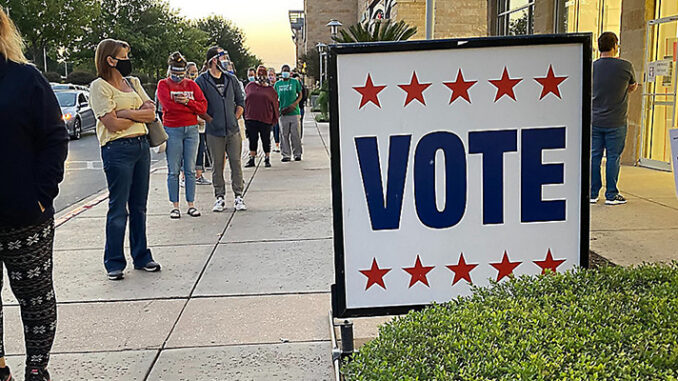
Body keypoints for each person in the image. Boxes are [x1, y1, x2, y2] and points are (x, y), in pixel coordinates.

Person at [0, 9, 67, 380]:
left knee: (36, 297)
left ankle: (37, 367)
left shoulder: (25, 79)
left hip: (26, 215)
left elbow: (54, 139)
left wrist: (41, 196)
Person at [89, 39, 161, 281]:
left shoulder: (134, 82)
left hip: (141, 147)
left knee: (139, 206)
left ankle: (142, 256)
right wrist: (138, 116)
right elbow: (111, 123)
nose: (128, 61)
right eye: (123, 56)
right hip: (117, 150)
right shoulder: (99, 87)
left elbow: (152, 113)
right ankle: (114, 261)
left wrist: (127, 113)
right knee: (118, 207)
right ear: (110, 60)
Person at [195, 46, 247, 212]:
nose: (225, 61)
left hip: (232, 130)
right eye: (221, 58)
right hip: (214, 131)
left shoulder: (231, 79)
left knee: (236, 163)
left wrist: (235, 117)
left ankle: (238, 196)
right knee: (217, 165)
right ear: (213, 61)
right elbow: (198, 105)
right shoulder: (201, 81)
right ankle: (219, 197)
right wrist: (210, 120)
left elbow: (240, 101)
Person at [157, 52, 208, 219]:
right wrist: (191, 108)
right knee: (173, 170)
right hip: (172, 129)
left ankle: (191, 204)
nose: (178, 76)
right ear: (170, 70)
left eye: (181, 72)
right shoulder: (163, 84)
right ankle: (175, 206)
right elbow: (168, 106)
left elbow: (203, 107)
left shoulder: (192, 86)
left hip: (192, 129)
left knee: (190, 169)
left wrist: (187, 102)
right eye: (175, 71)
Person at [591, 32, 638, 206]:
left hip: (595, 120)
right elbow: (633, 86)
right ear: (615, 45)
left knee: (594, 156)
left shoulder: (592, 67)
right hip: (616, 121)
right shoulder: (625, 66)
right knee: (613, 157)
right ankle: (611, 194)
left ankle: (592, 193)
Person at [245, 65, 280, 169]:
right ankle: (252, 157)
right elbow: (245, 100)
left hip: (265, 118)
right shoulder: (250, 86)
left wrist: (275, 117)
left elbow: (275, 104)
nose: (261, 76)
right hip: (251, 117)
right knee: (252, 139)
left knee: (266, 139)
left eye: (263, 74)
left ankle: (267, 157)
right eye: (259, 73)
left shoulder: (270, 90)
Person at [187, 62, 212, 185]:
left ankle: (198, 174)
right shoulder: (185, 87)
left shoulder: (197, 86)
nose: (195, 74)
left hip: (201, 126)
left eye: (196, 71)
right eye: (192, 72)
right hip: (189, 124)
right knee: (189, 152)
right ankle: (185, 176)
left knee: (201, 149)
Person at [275, 64, 304, 162]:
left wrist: (295, 104)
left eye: (287, 70)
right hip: (283, 113)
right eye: (284, 71)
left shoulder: (295, 82)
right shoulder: (277, 84)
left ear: (290, 73)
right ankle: (286, 154)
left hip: (294, 112)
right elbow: (275, 98)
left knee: (295, 134)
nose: (285, 72)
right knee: (284, 134)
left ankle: (297, 154)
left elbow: (300, 94)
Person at [268, 67, 281, 152]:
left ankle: (279, 144)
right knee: (274, 128)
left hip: (279, 108)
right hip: (271, 110)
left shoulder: (278, 85)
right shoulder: (267, 86)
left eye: (272, 75)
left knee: (280, 128)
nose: (270, 77)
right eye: (269, 75)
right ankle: (276, 144)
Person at [292, 72, 308, 138]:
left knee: (299, 123)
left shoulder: (302, 88)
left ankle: (299, 137)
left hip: (300, 107)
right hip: (293, 109)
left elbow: (304, 96)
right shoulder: (291, 88)